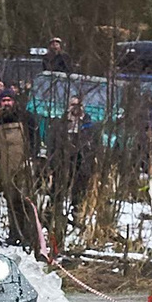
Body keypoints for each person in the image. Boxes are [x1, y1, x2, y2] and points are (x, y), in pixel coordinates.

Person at [44, 95, 98, 253]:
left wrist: (91, 163)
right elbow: (52, 143)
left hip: (82, 165)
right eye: (73, 104)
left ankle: (77, 218)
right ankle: (52, 217)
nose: (75, 107)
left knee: (79, 193)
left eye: (78, 105)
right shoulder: (60, 125)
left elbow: (95, 146)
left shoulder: (89, 126)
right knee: (57, 192)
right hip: (62, 164)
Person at [0, 93, 39, 251]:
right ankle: (14, 233)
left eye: (9, 100)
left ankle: (29, 235)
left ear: (14, 101)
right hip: (5, 165)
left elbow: (35, 138)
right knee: (11, 200)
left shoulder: (26, 117)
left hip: (24, 165)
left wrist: (33, 157)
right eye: (3, 100)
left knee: (25, 200)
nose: (6, 103)